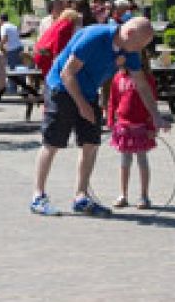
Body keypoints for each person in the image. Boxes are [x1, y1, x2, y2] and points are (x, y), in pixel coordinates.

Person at [30, 17, 165, 217]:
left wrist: (156, 115)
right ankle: (38, 196)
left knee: (91, 143)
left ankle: (81, 196)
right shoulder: (95, 37)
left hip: (89, 91)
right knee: (53, 142)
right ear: (128, 34)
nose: (138, 51)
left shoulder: (130, 51)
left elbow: (142, 84)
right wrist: (82, 105)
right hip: (61, 87)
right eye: (138, 45)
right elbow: (67, 73)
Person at [108, 64, 163, 209]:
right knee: (125, 160)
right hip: (123, 126)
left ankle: (144, 196)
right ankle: (123, 194)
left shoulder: (147, 79)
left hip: (141, 126)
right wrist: (110, 121)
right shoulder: (118, 77)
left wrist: (152, 126)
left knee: (142, 160)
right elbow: (113, 100)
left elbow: (153, 102)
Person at [33, 9, 81, 77]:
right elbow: (59, 41)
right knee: (55, 79)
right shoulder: (67, 24)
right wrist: (56, 57)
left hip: (40, 53)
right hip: (47, 56)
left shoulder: (57, 23)